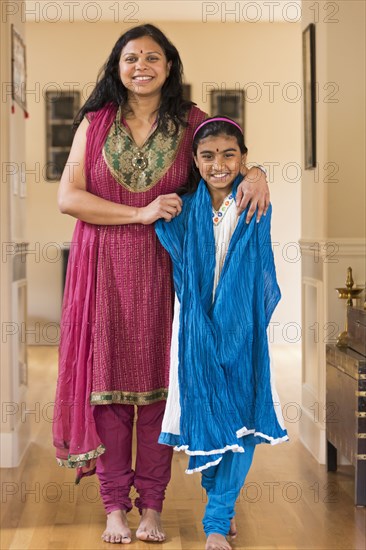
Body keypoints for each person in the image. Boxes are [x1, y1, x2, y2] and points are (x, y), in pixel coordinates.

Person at [52, 24, 270, 545]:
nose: (141, 66)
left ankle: (152, 506)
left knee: (159, 393)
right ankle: (113, 509)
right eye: (131, 58)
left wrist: (257, 171)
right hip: (102, 266)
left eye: (153, 57)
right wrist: (141, 211)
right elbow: (69, 198)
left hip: (169, 270)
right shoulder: (95, 123)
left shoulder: (190, 122)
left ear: (169, 66)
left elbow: (224, 162)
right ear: (117, 66)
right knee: (106, 392)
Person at [155, 117, 288, 550]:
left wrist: (259, 175)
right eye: (208, 156)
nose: (219, 164)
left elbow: (257, 271)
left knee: (243, 420)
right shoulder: (183, 207)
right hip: (194, 330)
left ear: (243, 159)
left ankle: (216, 522)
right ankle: (221, 499)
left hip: (241, 326)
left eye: (230, 155)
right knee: (206, 417)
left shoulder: (253, 200)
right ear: (195, 160)